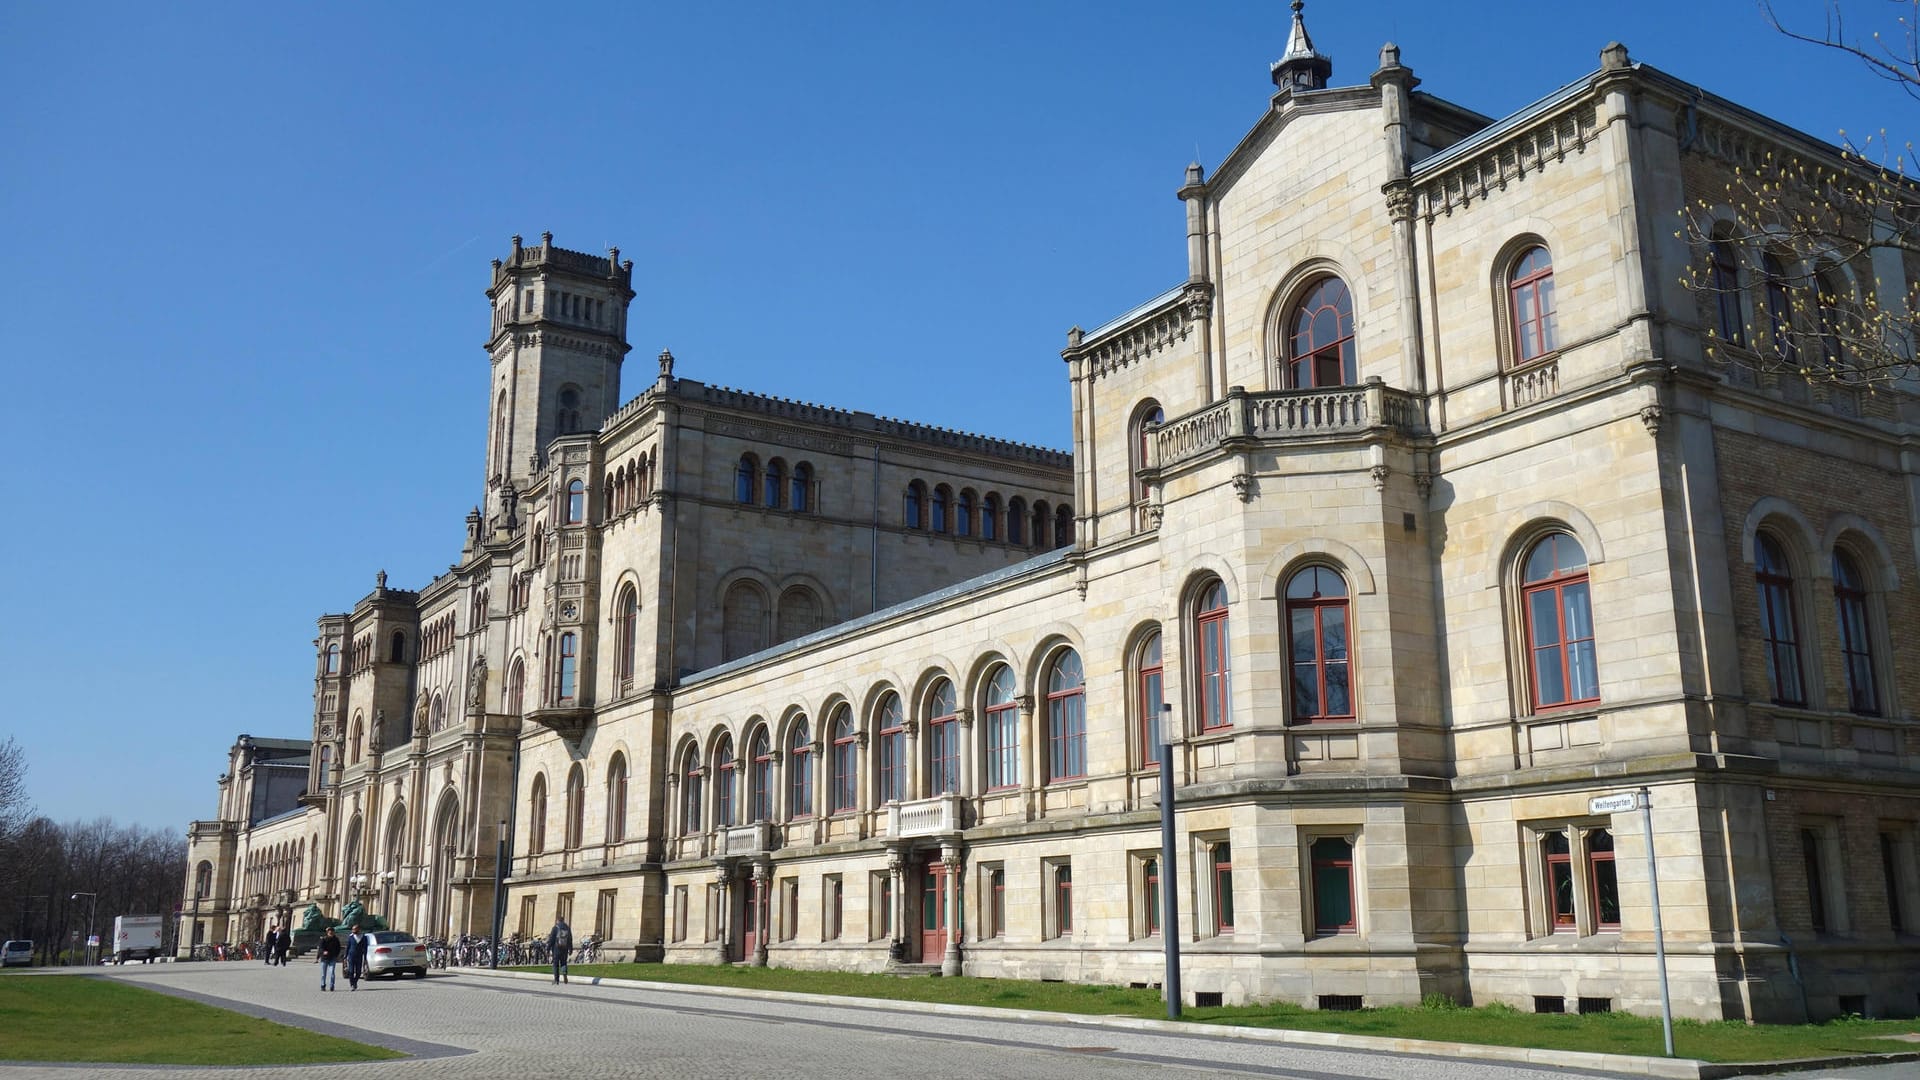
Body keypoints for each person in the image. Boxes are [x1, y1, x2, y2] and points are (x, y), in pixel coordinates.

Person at [547, 916, 571, 984]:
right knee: (563, 962)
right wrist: (570, 948)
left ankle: (556, 980)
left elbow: (551, 939)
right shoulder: (567, 928)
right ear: (563, 920)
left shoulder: (555, 928)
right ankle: (564, 972)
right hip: (565, 948)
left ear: (557, 921)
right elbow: (570, 939)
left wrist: (548, 949)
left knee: (555, 964)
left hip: (556, 949)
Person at [345, 924, 369, 991]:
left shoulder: (363, 937)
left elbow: (365, 948)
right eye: (352, 929)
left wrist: (365, 957)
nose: (353, 930)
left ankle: (355, 982)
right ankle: (352, 984)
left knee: (358, 972)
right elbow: (348, 947)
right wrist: (345, 956)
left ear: (358, 929)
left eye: (354, 929)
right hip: (351, 956)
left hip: (359, 956)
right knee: (351, 971)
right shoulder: (351, 937)